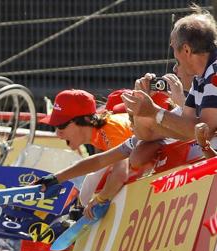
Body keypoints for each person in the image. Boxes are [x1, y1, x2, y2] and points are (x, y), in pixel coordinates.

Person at [123, 5, 217, 143]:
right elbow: (188, 126)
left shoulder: (214, 72)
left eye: (173, 47)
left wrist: (154, 112)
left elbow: (205, 132)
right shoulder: (200, 78)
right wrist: (142, 108)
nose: (173, 56)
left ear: (186, 50)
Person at [37, 89, 133, 218]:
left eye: (61, 125)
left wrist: (99, 200)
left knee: (96, 183)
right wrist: (55, 178)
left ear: (86, 119)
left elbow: (120, 174)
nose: (57, 133)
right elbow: (97, 163)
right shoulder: (99, 133)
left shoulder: (109, 129)